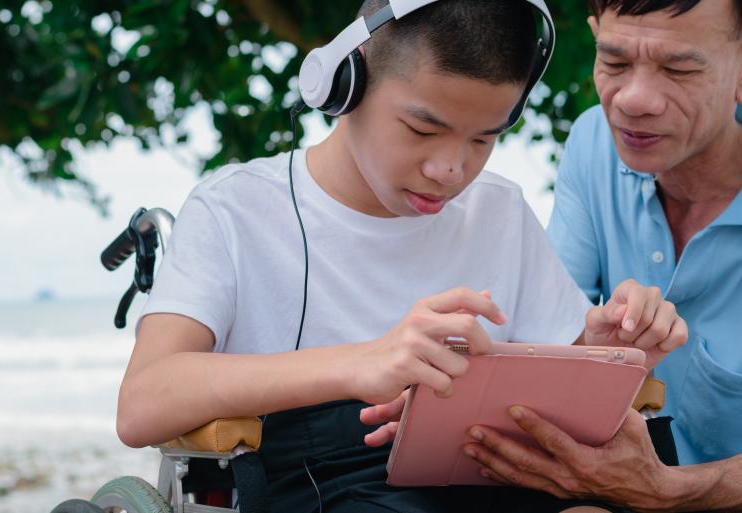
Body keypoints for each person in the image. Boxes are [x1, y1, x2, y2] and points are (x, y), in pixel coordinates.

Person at [116, 1, 686, 512]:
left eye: (483, 139)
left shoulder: (499, 211)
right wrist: (365, 361)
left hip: (496, 478)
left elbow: (563, 386)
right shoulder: (235, 209)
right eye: (421, 129)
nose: (451, 169)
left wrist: (613, 348)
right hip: (321, 485)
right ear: (348, 84)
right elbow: (143, 403)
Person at [463, 1, 742, 511]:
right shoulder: (593, 143)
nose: (633, 100)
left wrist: (670, 492)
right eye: (615, 62)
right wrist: (587, 350)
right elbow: (547, 352)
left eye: (678, 68)